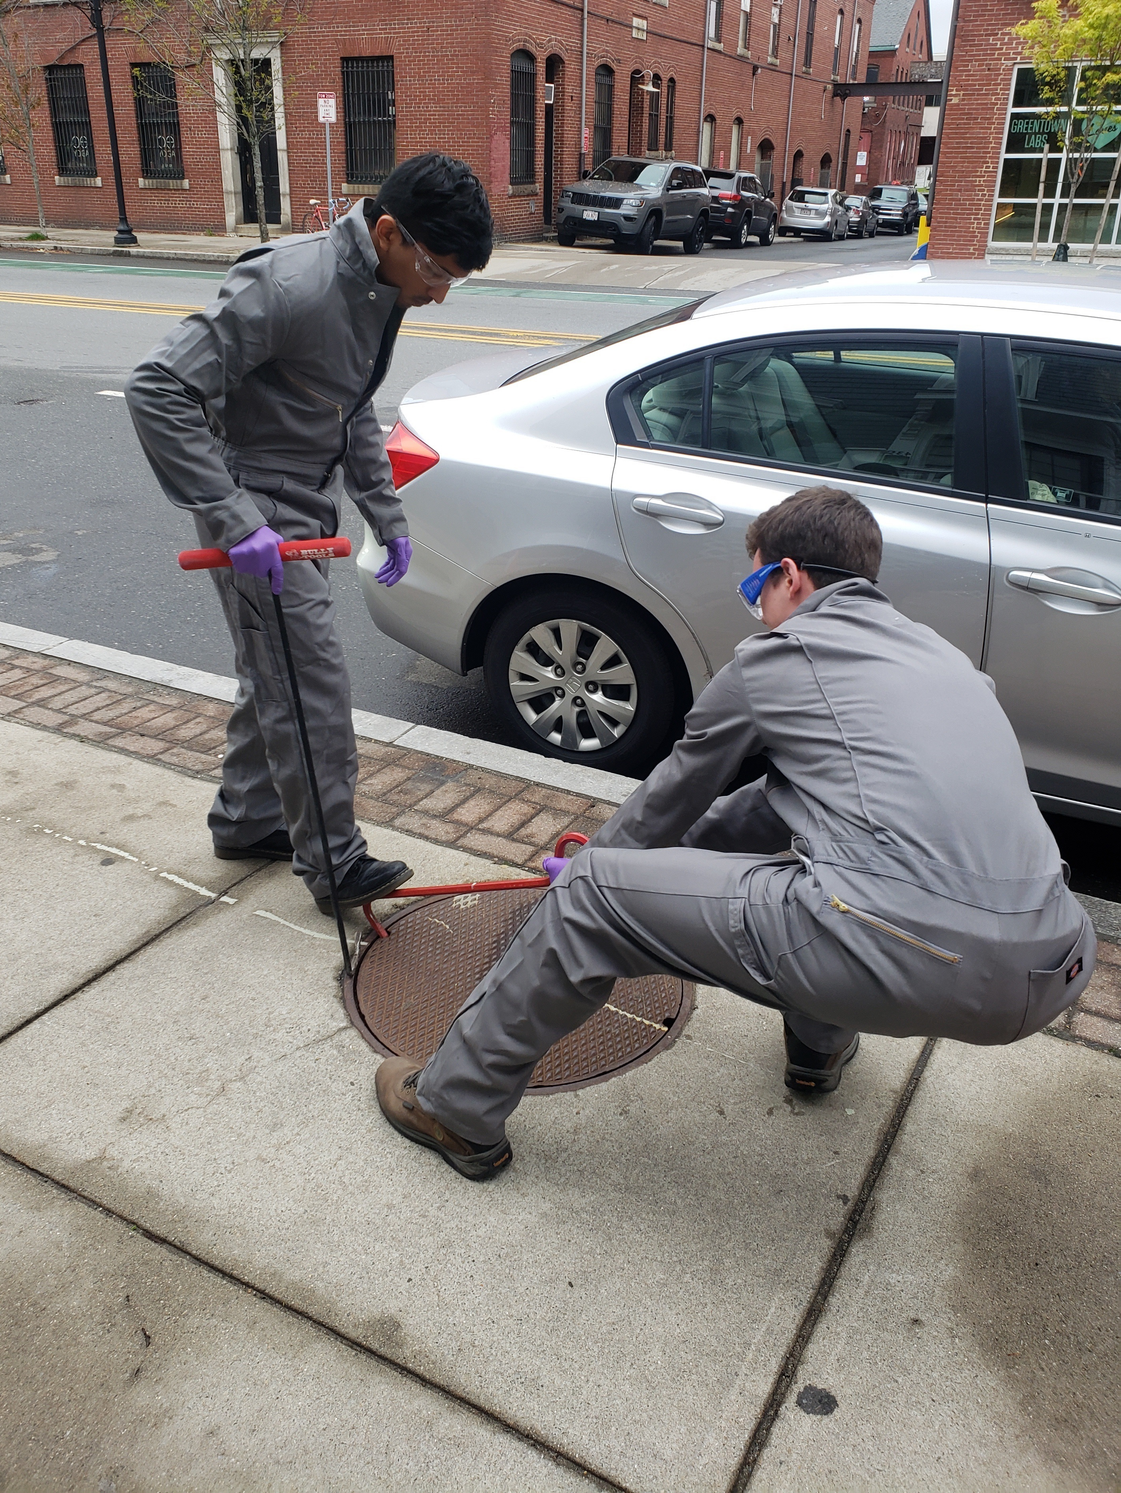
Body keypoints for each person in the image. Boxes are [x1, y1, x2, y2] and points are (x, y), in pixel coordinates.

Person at [375, 486, 1096, 1180]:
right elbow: (768, 809)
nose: (759, 617)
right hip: (1056, 962)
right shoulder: (948, 666)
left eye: (757, 593)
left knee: (597, 895)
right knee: (812, 867)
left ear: (789, 574)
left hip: (910, 955)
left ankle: (454, 1107)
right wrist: (664, 872)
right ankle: (818, 1055)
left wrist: (598, 872)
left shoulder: (783, 659)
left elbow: (672, 793)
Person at [127, 152, 494, 913]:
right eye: (435, 271)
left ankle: (248, 819)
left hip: (303, 505)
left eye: (453, 278)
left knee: (276, 669)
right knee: (310, 685)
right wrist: (233, 520)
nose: (437, 292)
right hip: (256, 507)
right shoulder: (288, 283)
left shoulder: (375, 288)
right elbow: (157, 387)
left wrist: (384, 512)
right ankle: (337, 863)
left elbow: (349, 404)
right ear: (389, 233)